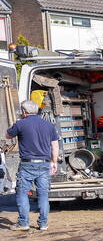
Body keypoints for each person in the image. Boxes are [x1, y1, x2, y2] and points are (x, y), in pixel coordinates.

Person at [6, 99, 59, 231]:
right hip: (44, 164)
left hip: (27, 165)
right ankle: (43, 224)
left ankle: (24, 223)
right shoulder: (49, 125)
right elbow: (55, 145)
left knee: (22, 193)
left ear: (24, 111)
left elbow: (7, 135)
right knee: (43, 194)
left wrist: (15, 123)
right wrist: (54, 161)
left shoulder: (20, 124)